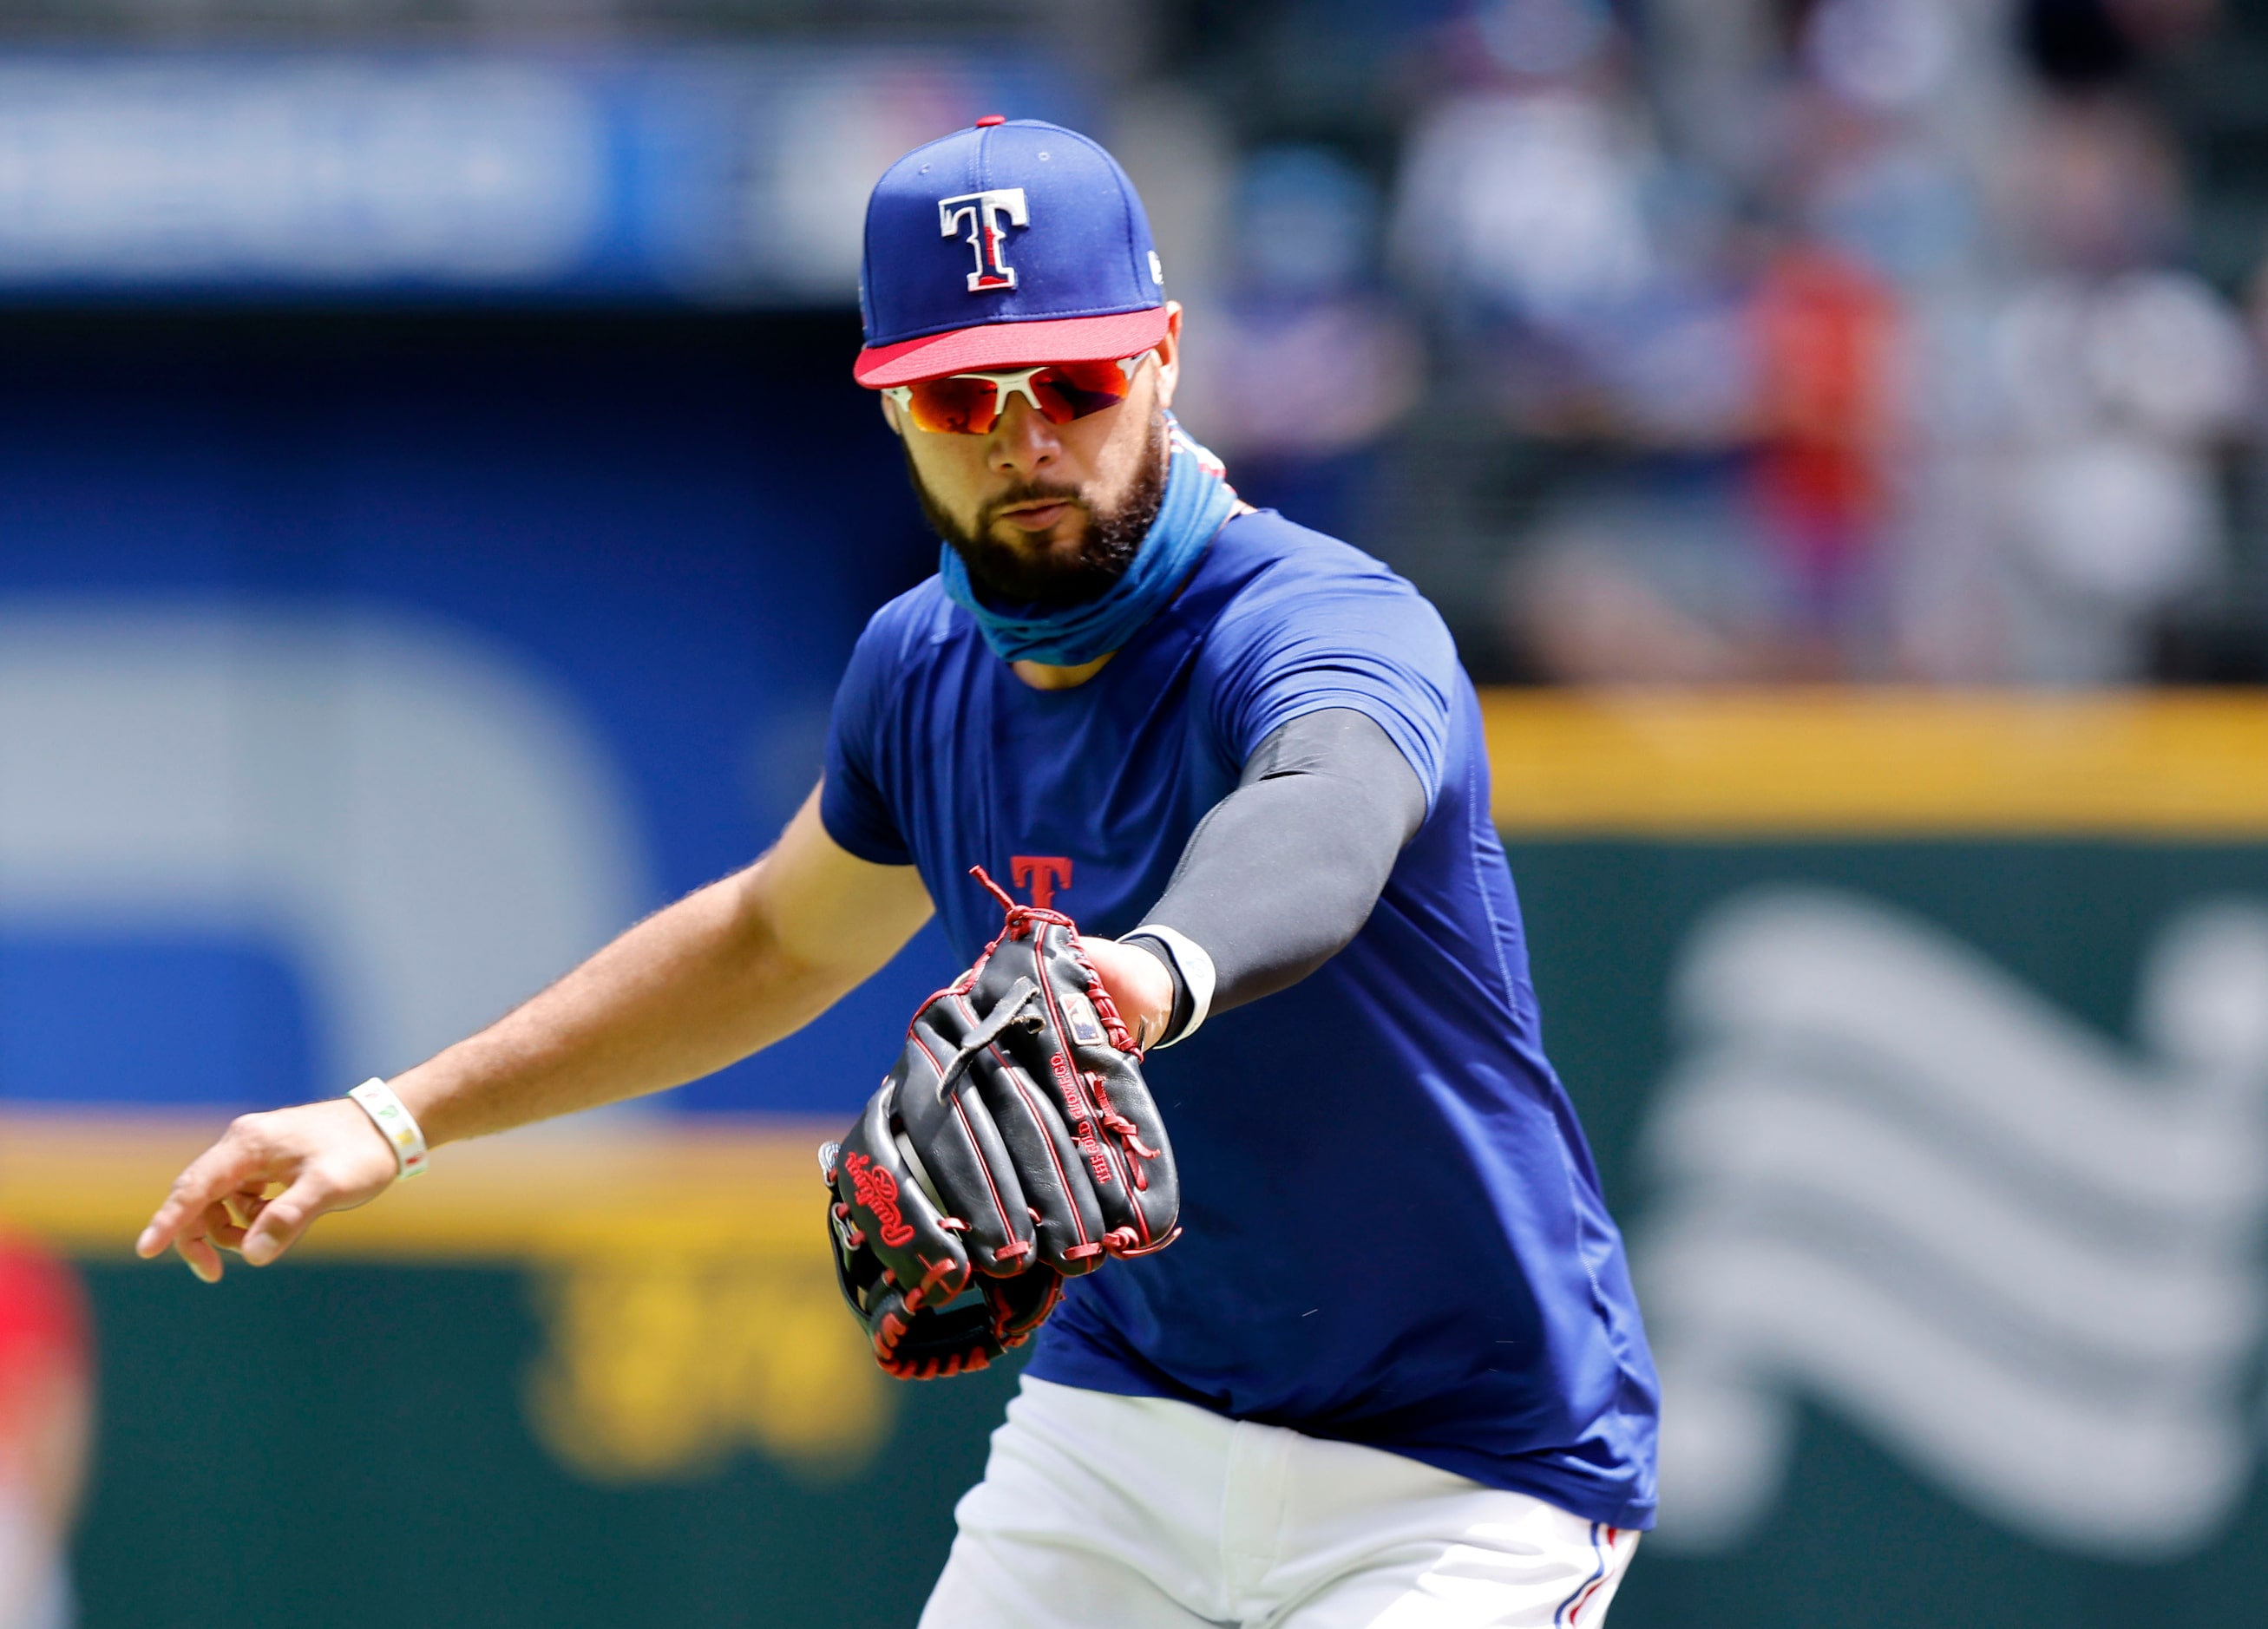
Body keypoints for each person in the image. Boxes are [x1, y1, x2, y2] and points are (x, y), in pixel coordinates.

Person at [137, 118, 1657, 1626]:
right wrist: (393, 1116)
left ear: (1167, 355)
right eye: (959, 396)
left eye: (1073, 377)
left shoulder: (1322, 621)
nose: (1026, 435)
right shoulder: (917, 670)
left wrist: (1141, 974)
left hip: (1461, 1467)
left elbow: (1319, 811)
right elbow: (767, 942)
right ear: (890, 408)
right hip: (1126, 1424)